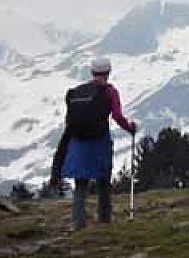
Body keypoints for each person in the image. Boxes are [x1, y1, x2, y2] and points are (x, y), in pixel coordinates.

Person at [53, 57, 136, 231]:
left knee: (80, 183)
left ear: (92, 72)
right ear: (108, 72)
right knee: (103, 180)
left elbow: (69, 120)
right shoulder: (110, 92)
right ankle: (104, 219)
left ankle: (77, 222)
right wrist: (130, 128)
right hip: (100, 141)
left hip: (78, 142)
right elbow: (117, 116)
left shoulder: (78, 92)